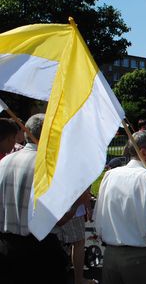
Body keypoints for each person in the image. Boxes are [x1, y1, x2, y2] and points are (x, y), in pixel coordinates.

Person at [94, 130, 146, 284]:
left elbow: (99, 215)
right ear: (143, 152)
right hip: (140, 258)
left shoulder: (110, 175)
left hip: (111, 256)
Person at [0, 114, 72, 283]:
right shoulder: (49, 168)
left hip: (6, 249)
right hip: (40, 250)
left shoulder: (4, 162)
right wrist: (77, 204)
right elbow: (60, 218)